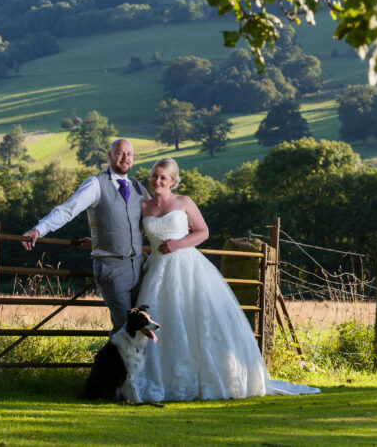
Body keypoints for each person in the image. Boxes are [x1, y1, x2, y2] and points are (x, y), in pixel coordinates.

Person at [133, 157, 319, 401]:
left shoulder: (184, 202)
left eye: (163, 177)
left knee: (195, 319)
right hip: (156, 269)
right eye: (155, 176)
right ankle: (161, 380)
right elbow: (130, 237)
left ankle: (207, 379)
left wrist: (178, 243)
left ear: (173, 181)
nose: (157, 181)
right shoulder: (144, 207)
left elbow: (203, 232)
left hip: (185, 266)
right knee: (162, 319)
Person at [21, 138, 149, 332]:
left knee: (141, 326)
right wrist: (40, 229)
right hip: (112, 266)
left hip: (139, 267)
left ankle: (134, 364)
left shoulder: (138, 187)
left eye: (129, 154)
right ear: (110, 155)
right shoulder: (95, 184)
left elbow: (154, 215)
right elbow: (67, 210)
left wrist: (183, 223)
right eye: (120, 153)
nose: (125, 158)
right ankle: (110, 364)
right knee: (124, 328)